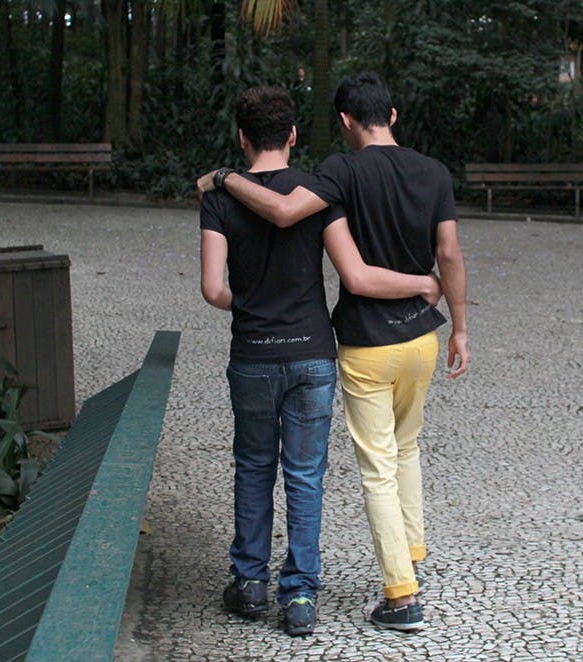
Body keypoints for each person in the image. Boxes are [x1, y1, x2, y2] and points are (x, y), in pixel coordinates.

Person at [198, 71, 469, 631]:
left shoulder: (325, 178)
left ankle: (273, 584)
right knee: (355, 461)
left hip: (309, 348)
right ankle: (343, 578)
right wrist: (449, 314)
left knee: (292, 467)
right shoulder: (395, 178)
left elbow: (227, 277)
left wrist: (223, 179)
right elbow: (425, 259)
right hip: (370, 344)